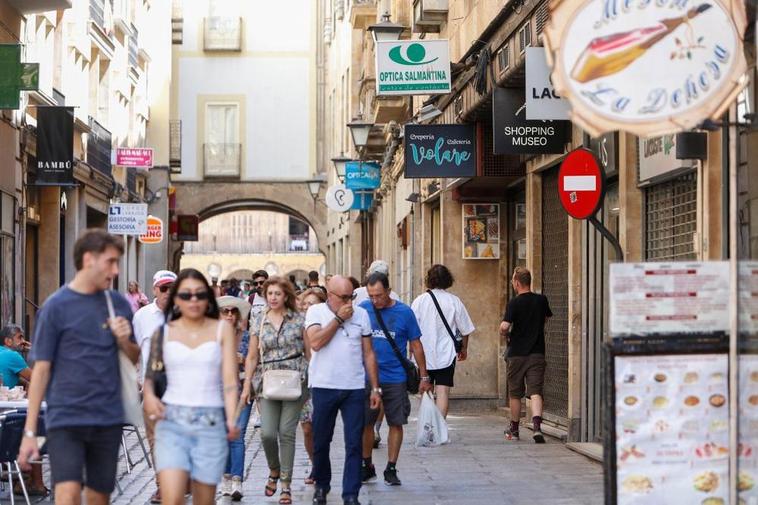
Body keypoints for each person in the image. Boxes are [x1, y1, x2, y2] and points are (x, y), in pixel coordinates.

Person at [19, 229, 140, 505]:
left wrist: (124, 341)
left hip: (108, 417)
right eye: (110, 262)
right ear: (88, 259)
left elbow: (133, 358)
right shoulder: (55, 307)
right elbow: (41, 371)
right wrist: (29, 432)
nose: (115, 270)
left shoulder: (118, 304)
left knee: (99, 497)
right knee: (68, 493)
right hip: (66, 418)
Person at [143, 268, 240, 505]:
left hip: (210, 420)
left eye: (199, 294)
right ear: (176, 299)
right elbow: (150, 377)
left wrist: (231, 418)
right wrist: (149, 397)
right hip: (172, 419)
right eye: (186, 295)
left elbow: (229, 381)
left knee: (203, 500)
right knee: (173, 498)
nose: (193, 300)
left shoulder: (222, 329)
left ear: (208, 297)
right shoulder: (162, 332)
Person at [305, 276, 381, 505]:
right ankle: (322, 486)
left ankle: (351, 494)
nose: (349, 302)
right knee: (321, 440)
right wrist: (338, 319)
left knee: (354, 442)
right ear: (330, 295)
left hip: (354, 387)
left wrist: (375, 387)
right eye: (344, 297)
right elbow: (316, 343)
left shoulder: (362, 315)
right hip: (323, 385)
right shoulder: (316, 312)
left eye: (352, 296)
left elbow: (368, 353)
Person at [240, 277, 309, 505]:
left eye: (278, 294)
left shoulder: (299, 319)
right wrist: (247, 384)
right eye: (270, 294)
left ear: (286, 295)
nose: (273, 298)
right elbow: (251, 355)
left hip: (295, 379)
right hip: (267, 381)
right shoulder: (259, 319)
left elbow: (309, 353)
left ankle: (286, 485)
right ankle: (274, 470)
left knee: (286, 432)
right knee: (267, 433)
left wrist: (314, 382)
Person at [359, 272, 431, 487]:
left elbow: (416, 345)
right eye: (371, 295)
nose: (375, 300)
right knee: (366, 423)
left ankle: (391, 467)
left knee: (396, 422)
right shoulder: (363, 309)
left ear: (389, 292)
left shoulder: (404, 312)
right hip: (367, 378)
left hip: (395, 377)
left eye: (379, 295)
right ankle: (367, 465)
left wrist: (424, 376)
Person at [132, 269, 177, 503]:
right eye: (163, 288)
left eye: (172, 288)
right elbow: (135, 349)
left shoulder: (185, 315)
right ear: (154, 290)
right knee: (155, 438)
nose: (167, 293)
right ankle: (162, 484)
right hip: (153, 386)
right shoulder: (141, 316)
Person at [411, 264, 475, 418]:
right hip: (446, 354)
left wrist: (411, 352)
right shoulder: (454, 301)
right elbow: (465, 329)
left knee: (425, 392)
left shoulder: (419, 301)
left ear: (429, 280)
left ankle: (428, 428)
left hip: (423, 354)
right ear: (448, 280)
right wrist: (464, 349)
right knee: (443, 391)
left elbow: (411, 330)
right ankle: (440, 428)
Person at [499, 267, 552, 444]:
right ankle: (537, 427)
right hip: (537, 352)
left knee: (515, 394)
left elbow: (505, 326)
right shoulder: (541, 300)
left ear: (517, 283)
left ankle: (514, 430)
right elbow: (545, 319)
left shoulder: (514, 303)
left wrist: (503, 331)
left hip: (516, 355)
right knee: (535, 391)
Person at [0, 324, 45, 496]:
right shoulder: (13, 356)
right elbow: (38, 377)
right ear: (8, 341)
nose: (22, 341)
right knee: (35, 431)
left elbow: (18, 379)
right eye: (19, 338)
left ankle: (21, 477)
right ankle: (36, 482)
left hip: (4, 416)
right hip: (9, 421)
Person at [217, 296, 252, 501]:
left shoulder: (246, 336)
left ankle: (237, 479)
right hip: (219, 391)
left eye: (233, 311)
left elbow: (254, 360)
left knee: (237, 435)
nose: (230, 315)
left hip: (241, 390)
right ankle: (227, 477)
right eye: (225, 311)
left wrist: (243, 359)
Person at [297, 288, 327, 485]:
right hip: (303, 381)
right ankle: (314, 464)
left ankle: (320, 464)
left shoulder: (327, 325)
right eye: (305, 304)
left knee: (321, 427)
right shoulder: (296, 325)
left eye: (313, 304)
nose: (308, 308)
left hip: (323, 379)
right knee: (307, 428)